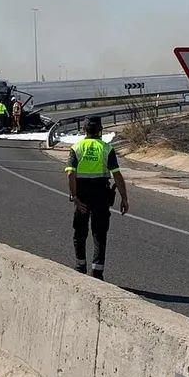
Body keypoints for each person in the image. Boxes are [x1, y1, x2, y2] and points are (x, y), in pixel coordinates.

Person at [64, 116, 129, 280]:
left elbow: (71, 173)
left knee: (80, 232)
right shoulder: (106, 148)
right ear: (100, 130)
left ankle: (80, 267)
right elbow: (117, 175)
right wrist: (124, 198)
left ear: (84, 130)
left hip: (82, 194)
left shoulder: (77, 147)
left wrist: (74, 196)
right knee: (99, 234)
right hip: (101, 194)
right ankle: (97, 273)